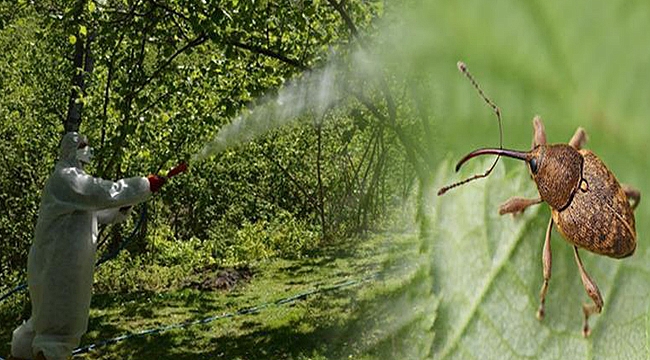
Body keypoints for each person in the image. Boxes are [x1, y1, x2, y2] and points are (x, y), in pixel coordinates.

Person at [9, 132, 167, 360]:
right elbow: (103, 192)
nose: (88, 150)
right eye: (83, 145)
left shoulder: (73, 182)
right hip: (59, 267)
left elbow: (96, 212)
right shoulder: (67, 178)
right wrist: (144, 185)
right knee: (58, 331)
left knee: (43, 323)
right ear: (70, 149)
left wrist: (123, 206)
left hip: (56, 264)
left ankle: (20, 355)